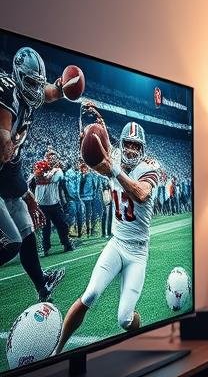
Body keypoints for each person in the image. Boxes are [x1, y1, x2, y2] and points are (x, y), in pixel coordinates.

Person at [55, 111, 162, 353]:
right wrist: (90, 142)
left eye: (136, 146)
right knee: (90, 294)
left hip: (138, 252)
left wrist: (114, 170)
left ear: (143, 149)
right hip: (117, 243)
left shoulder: (150, 167)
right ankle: (56, 351)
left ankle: (139, 336)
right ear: (121, 144)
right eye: (128, 144)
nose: (132, 150)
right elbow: (97, 159)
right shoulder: (114, 159)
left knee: (124, 318)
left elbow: (141, 193)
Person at [0, 46, 67, 301]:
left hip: (7, 178)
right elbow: (4, 149)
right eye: (31, 83)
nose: (36, 90)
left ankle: (42, 285)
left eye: (38, 83)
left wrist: (61, 88)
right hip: (3, 175)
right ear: (17, 76)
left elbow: (48, 93)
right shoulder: (8, 92)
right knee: (11, 241)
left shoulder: (27, 97)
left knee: (27, 229)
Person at [32, 153, 74, 256]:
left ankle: (66, 244)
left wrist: (48, 173)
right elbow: (33, 180)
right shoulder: (38, 170)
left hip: (54, 203)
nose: (51, 160)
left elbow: (54, 179)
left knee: (62, 225)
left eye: (53, 158)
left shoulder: (58, 171)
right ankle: (46, 248)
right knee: (45, 228)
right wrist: (41, 174)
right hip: (42, 204)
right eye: (49, 158)